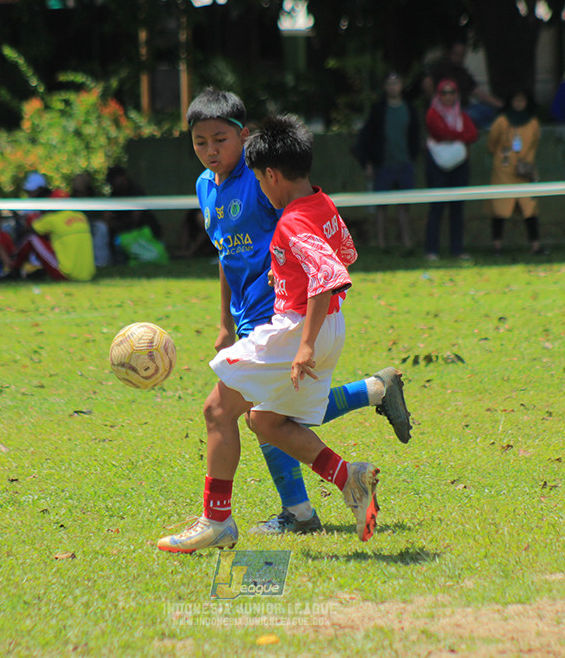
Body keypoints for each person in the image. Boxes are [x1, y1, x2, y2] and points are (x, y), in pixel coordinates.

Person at [157, 88, 409, 545]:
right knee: (267, 417)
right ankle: (350, 458)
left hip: (284, 316)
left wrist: (296, 304)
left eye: (220, 139)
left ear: (247, 141)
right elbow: (227, 255)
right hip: (293, 316)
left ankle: (236, 520)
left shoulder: (263, 185)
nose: (211, 150)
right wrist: (224, 322)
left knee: (224, 410)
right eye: (199, 142)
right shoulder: (208, 187)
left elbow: (325, 268)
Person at [353, 72, 422, 250]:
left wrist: (412, 158)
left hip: (404, 163)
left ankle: (406, 242)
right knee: (381, 206)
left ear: (402, 85)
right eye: (389, 83)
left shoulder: (409, 109)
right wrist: (368, 162)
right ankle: (381, 243)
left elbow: (414, 137)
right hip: (383, 165)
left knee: (404, 206)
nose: (393, 87)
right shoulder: (378, 110)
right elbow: (367, 138)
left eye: (396, 83)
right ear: (385, 87)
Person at [424, 79, 479, 260]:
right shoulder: (433, 113)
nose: (448, 96)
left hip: (459, 166)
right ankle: (432, 250)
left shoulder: (461, 115)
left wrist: (453, 136)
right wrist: (459, 137)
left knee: (457, 209)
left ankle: (457, 250)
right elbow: (440, 133)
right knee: (437, 207)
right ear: (439, 95)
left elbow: (473, 134)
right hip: (436, 165)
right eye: (444, 93)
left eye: (452, 92)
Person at [486, 90, 545, 256]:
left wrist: (526, 162)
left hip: (524, 171)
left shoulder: (533, 122)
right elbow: (491, 144)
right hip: (503, 171)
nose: (519, 103)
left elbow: (534, 144)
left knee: (530, 208)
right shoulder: (502, 121)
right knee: (500, 208)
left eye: (522, 100)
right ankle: (497, 246)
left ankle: (535, 245)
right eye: (516, 100)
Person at [422, 39, 502, 129]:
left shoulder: (463, 73)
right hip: (448, 110)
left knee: (487, 111)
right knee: (472, 115)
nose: (459, 58)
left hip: (464, 106)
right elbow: (427, 82)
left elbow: (477, 92)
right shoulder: (440, 68)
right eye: (456, 54)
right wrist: (437, 103)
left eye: (462, 55)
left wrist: (499, 105)